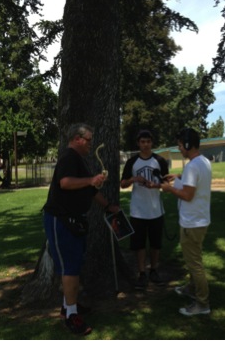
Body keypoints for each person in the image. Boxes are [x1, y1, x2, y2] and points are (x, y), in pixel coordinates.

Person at [43, 123, 118, 335]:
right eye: (89, 140)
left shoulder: (79, 160)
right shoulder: (68, 157)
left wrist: (108, 206)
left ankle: (68, 307)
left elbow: (91, 191)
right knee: (70, 268)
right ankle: (72, 316)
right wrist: (90, 179)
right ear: (77, 138)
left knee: (74, 265)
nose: (90, 144)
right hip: (61, 221)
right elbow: (65, 183)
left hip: (73, 221)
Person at [161, 128, 212, 316]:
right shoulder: (203, 162)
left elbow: (187, 195)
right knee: (194, 259)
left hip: (192, 223)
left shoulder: (192, 166)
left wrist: (169, 189)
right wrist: (178, 177)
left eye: (181, 145)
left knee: (194, 264)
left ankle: (202, 303)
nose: (179, 148)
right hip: (201, 220)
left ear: (189, 145)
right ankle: (191, 288)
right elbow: (193, 182)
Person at [120, 130, 169, 290]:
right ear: (138, 143)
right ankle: (142, 273)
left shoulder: (160, 161)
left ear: (152, 143)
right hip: (138, 210)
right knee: (139, 244)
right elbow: (123, 184)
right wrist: (134, 179)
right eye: (142, 142)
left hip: (155, 209)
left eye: (148, 141)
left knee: (155, 243)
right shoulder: (132, 162)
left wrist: (156, 184)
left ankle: (153, 270)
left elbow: (167, 184)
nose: (145, 144)